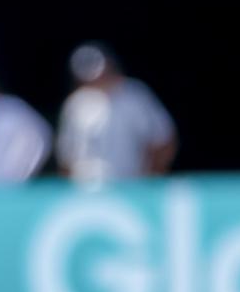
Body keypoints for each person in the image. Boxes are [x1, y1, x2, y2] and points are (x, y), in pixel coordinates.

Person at [56, 43, 175, 187]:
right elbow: (66, 159)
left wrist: (149, 181)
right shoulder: (75, 103)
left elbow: (163, 141)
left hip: (131, 188)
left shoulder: (135, 95)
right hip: (87, 192)